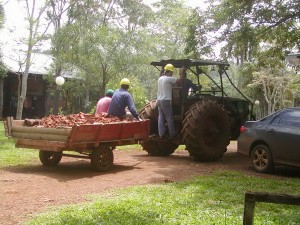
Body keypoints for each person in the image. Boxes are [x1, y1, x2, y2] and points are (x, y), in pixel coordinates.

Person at [157, 64, 183, 138]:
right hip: (166, 100)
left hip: (159, 100)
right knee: (169, 117)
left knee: (161, 117)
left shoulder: (160, 78)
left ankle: (161, 134)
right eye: (171, 72)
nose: (172, 74)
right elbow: (180, 81)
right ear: (169, 72)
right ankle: (172, 134)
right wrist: (182, 72)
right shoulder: (169, 78)